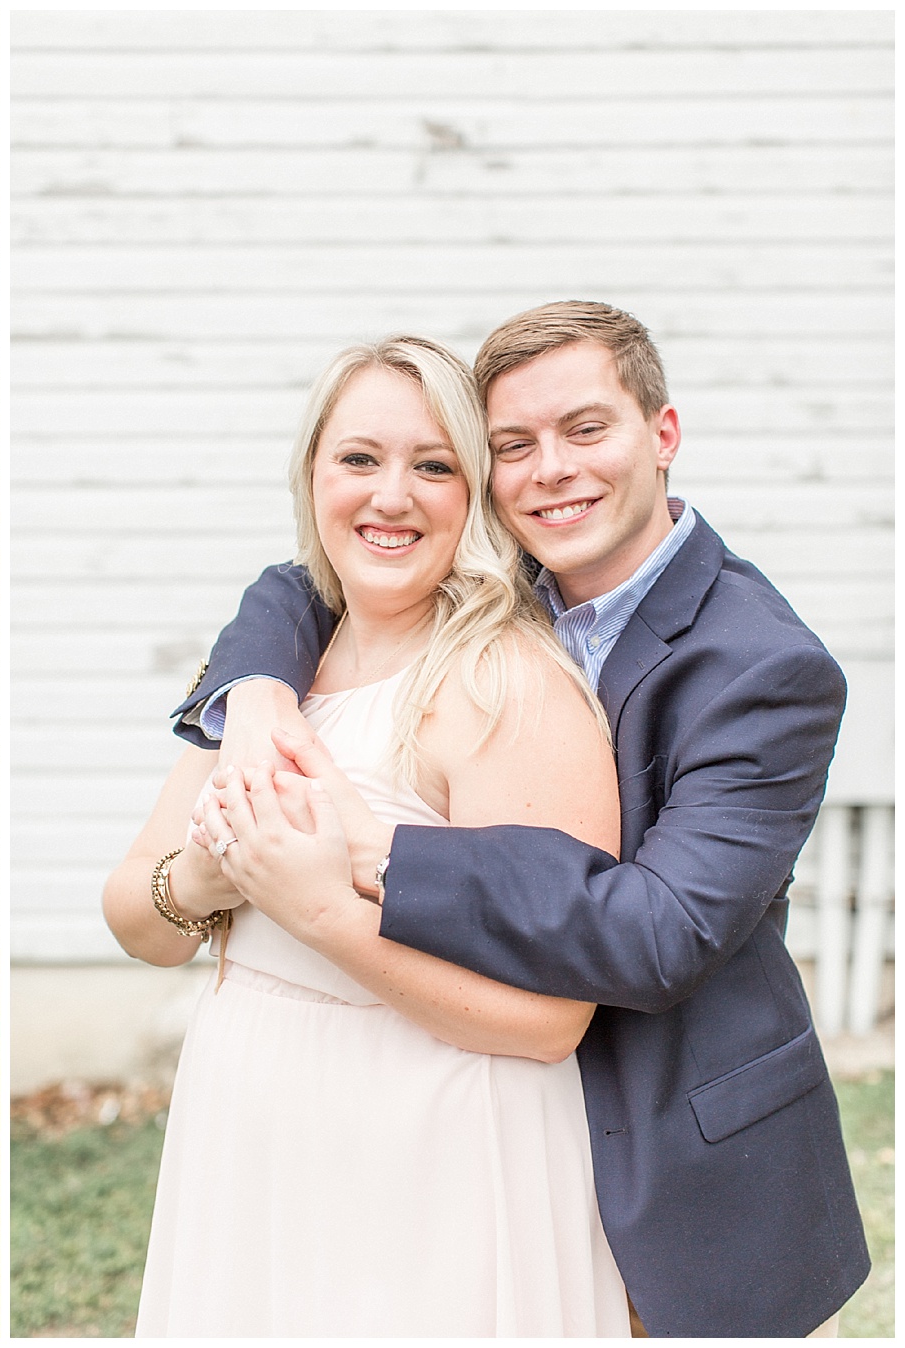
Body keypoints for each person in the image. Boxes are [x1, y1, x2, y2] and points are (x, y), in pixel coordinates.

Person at [176, 301, 868, 1337]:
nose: (552, 469)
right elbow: (304, 581)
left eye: (587, 429)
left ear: (662, 435)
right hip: (476, 1123)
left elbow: (661, 932)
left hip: (676, 1151)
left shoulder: (767, 669)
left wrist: (383, 851)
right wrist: (258, 691)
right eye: (513, 445)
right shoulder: (508, 581)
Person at [105, 335, 630, 1336]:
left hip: (427, 1145)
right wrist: (206, 879)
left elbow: (554, 1021)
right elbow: (137, 914)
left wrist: (321, 915)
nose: (393, 495)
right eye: (360, 458)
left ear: (476, 493)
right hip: (252, 1120)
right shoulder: (273, 674)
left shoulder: (504, 683)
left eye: (434, 465)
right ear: (312, 474)